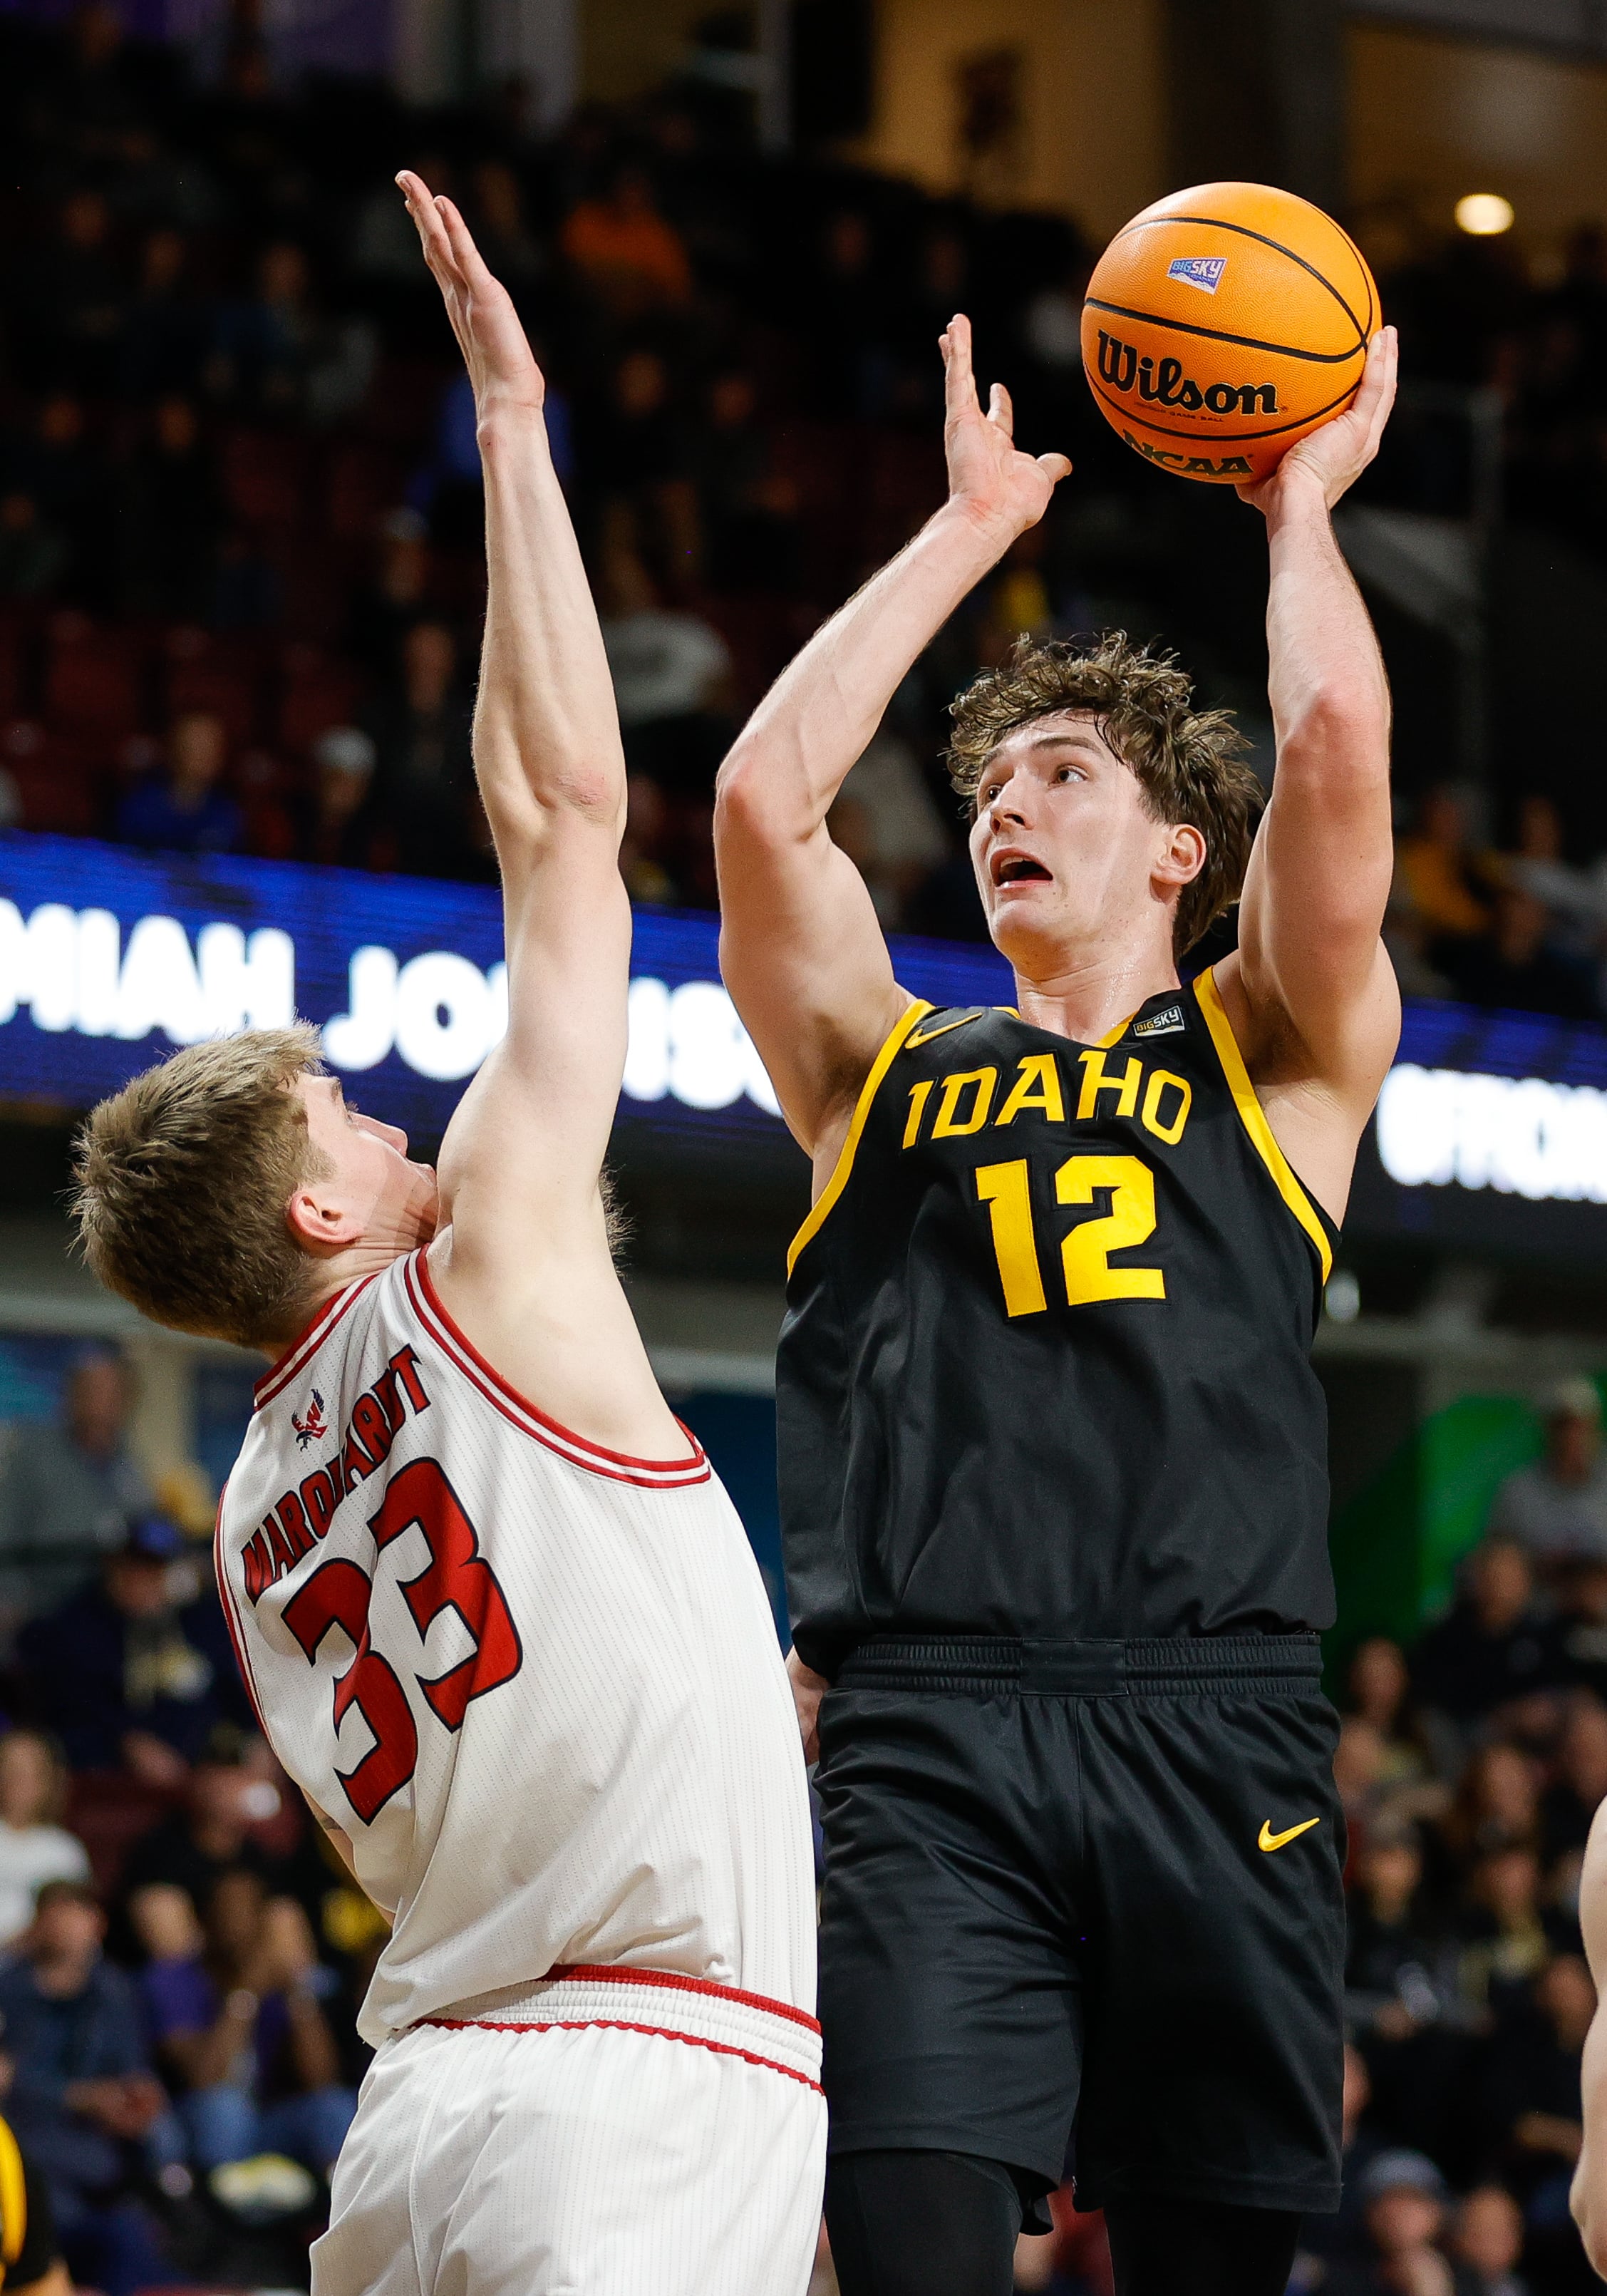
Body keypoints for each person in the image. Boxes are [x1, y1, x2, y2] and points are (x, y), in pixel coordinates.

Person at [68, 177, 822, 2296]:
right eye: (349, 1113)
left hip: (422, 2119)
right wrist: (510, 418)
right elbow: (565, 816)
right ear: (320, 1209)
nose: (396, 1114)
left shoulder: (247, 1514)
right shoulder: (486, 1263)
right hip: (650, 2076)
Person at [713, 299, 1402, 2296]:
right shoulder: (878, 1066)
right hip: (925, 1730)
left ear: (1182, 848)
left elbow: (1334, 747)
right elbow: (761, 805)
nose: (1008, 805)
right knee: (908, 2249)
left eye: (1066, 772)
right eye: (991, 785)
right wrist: (962, 532)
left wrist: (1296, 509)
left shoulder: (1270, 1049)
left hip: (1214, 1721)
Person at [0, 1881, 172, 2296]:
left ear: (97, 1924)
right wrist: (80, 2098)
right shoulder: (9, 1989)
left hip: (98, 2143)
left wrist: (135, 2100)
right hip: (30, 2138)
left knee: (160, 2146)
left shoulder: (115, 1989)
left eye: (75, 1916)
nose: (65, 1928)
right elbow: (7, 2082)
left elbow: (134, 2070)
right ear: (37, 1925)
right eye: (55, 1916)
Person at [143, 1867, 353, 2178]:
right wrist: (245, 1994)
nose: (237, 1925)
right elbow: (204, 2077)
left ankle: (336, 2202)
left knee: (335, 2106)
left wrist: (296, 1992)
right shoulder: (172, 1979)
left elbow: (322, 2079)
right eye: (227, 1913)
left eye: (249, 1912)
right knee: (225, 2108)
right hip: (195, 2120)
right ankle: (224, 2205)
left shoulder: (278, 1982)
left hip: (267, 2121)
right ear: (204, 1920)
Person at [17, 1516, 244, 1783]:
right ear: (113, 1566)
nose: (146, 1580)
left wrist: (253, 1738)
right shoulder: (75, 1630)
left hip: (205, 1771)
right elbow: (75, 1709)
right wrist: (125, 1738)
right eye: (136, 1567)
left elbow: (228, 1689)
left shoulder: (197, 1621)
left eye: (156, 1569)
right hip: (109, 1778)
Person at [0, 1350, 152, 1628]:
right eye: (92, 1390)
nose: (102, 1403)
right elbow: (7, 1528)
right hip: (42, 1610)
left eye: (112, 1393)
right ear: (72, 1395)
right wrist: (10, 1598)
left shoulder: (128, 1464)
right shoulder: (34, 1454)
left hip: (110, 1611)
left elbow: (142, 1526)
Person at [1489, 1380, 1607, 1573]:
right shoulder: (1518, 1491)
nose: (1571, 1436)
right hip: (1540, 1591)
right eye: (1562, 1426)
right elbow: (1498, 1558)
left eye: (1579, 1426)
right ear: (1546, 1429)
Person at [0, 1733, 91, 1950]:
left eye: (29, 1773)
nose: (18, 1782)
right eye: (10, 1771)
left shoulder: (65, 1850)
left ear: (49, 1780)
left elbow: (72, 1922)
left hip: (39, 1960)